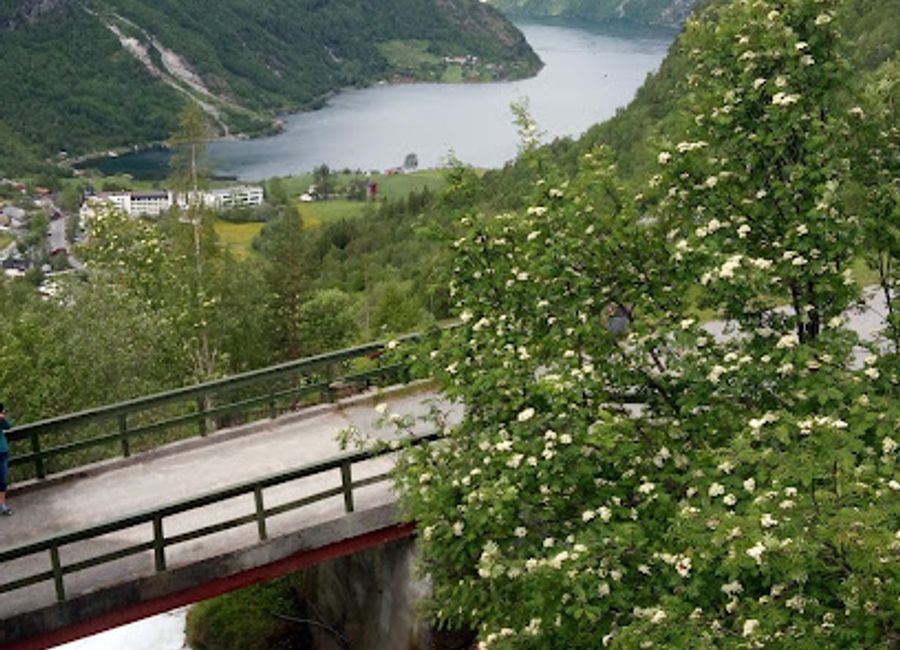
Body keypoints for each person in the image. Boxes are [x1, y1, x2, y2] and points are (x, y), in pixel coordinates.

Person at [0, 402, 12, 516]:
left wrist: (2, 418)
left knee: (2, 479)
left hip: (2, 451)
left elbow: (8, 426)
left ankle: (2, 504)